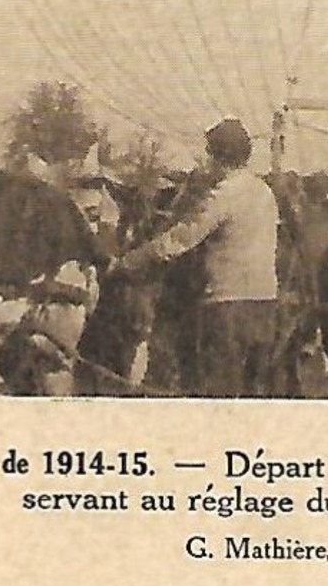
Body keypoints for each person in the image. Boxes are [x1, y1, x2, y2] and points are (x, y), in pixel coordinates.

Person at [114, 118, 279, 396]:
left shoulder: (223, 195)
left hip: (227, 307)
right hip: (265, 305)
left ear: (219, 157)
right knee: (256, 393)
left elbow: (179, 240)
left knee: (219, 394)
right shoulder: (265, 192)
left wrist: (128, 261)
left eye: (209, 153)